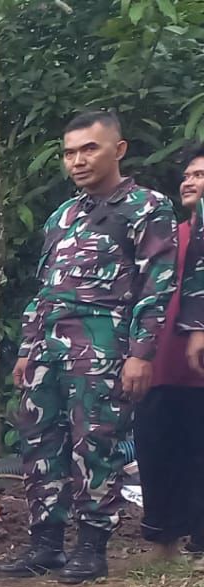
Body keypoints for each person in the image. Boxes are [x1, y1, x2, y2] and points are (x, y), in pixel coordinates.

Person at [0, 111, 178, 584]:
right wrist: (26, 347)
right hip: (48, 348)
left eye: (89, 149)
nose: (77, 161)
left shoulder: (147, 207)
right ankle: (45, 544)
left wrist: (141, 353)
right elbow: (45, 287)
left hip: (104, 345)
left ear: (118, 150)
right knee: (39, 441)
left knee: (96, 444)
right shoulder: (64, 215)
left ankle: (92, 546)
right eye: (69, 152)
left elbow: (157, 285)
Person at [133, 145, 204, 559]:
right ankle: (164, 544)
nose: (191, 181)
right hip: (163, 363)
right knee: (159, 450)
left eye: (201, 174)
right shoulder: (167, 236)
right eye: (188, 175)